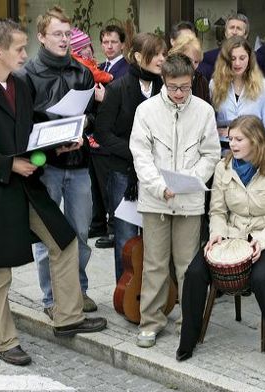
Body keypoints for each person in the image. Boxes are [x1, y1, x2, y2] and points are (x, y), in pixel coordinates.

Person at [0, 18, 106, 367]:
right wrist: (9, 166)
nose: (25, 54)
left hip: (26, 187)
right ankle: (3, 341)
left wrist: (54, 149)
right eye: (20, 48)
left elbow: (30, 136)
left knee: (63, 241)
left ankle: (68, 317)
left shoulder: (19, 87)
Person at [177, 115, 265, 376]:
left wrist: (259, 242)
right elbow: (217, 210)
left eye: (238, 139)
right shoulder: (223, 167)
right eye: (230, 138)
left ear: (256, 140)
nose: (232, 144)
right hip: (230, 237)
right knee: (195, 272)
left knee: (263, 277)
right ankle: (188, 341)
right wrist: (217, 234)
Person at [129, 53, 221, 348]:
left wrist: (191, 179)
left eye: (185, 87)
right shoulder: (146, 110)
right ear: (163, 81)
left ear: (192, 81)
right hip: (155, 200)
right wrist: (159, 186)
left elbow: (211, 153)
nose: (179, 94)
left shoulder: (204, 111)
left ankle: (187, 321)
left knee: (187, 265)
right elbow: (140, 155)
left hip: (189, 199)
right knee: (154, 263)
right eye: (173, 87)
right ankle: (151, 321)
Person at [19, 6, 97, 319]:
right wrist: (51, 140)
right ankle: (52, 299)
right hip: (46, 165)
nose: (64, 39)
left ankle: (77, 290)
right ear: (41, 37)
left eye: (67, 34)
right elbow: (22, 125)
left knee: (80, 232)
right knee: (46, 234)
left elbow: (93, 115)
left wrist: (84, 130)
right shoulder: (26, 75)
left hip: (78, 163)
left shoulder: (83, 72)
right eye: (57, 34)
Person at [95, 32, 166, 282]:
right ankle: (126, 292)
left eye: (162, 54)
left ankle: (153, 293)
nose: (161, 59)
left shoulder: (165, 87)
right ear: (137, 56)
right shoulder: (118, 88)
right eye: (155, 54)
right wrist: (137, 153)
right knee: (125, 237)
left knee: (154, 235)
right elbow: (102, 133)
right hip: (124, 173)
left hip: (156, 174)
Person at [90, 24, 129, 249]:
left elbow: (123, 104)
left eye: (114, 42)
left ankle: (114, 229)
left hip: (112, 135)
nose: (109, 46)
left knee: (110, 185)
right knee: (95, 183)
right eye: (105, 42)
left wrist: (106, 99)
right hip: (95, 134)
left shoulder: (126, 69)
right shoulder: (100, 66)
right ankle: (98, 223)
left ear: (122, 44)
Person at [210, 36, 265, 134]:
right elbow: (210, 123)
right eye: (232, 58)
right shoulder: (214, 85)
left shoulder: (264, 86)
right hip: (223, 146)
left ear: (249, 59)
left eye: (242, 58)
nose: (237, 63)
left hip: (253, 146)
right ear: (226, 60)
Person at [198, 13, 249, 81]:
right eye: (231, 27)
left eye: (239, 28)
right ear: (225, 32)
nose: (234, 32)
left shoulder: (256, 59)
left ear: (245, 35)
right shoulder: (208, 58)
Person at [168, 33, 211, 103]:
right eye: (189, 60)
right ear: (177, 55)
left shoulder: (201, 81)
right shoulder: (166, 77)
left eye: (196, 62)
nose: (193, 65)